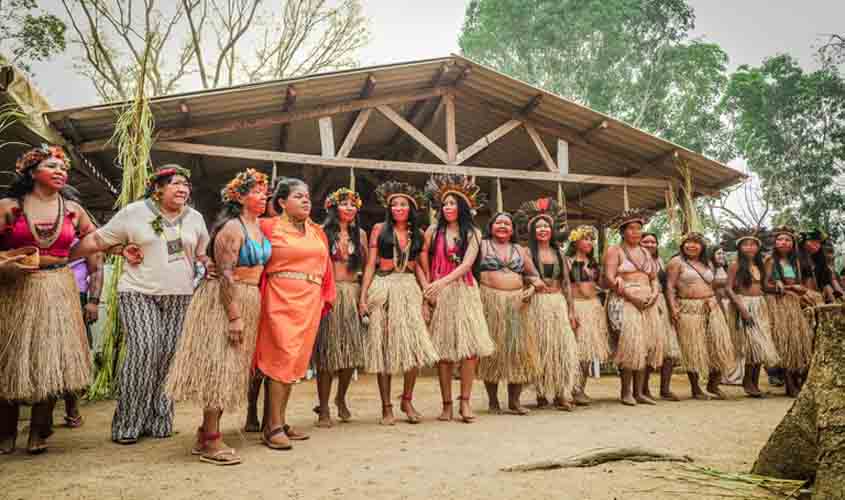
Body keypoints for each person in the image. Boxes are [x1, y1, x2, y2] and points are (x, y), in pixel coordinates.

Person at [71, 165, 210, 444]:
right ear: (157, 188)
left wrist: (210, 266)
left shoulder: (194, 218)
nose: (182, 188)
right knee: (144, 350)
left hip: (180, 295)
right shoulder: (134, 213)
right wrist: (62, 256)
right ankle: (127, 424)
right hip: (138, 292)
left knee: (168, 356)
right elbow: (99, 239)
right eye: (174, 183)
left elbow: (201, 255)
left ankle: (159, 420)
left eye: (185, 184)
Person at [164, 169, 269, 465]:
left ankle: (204, 433)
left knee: (232, 369)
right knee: (220, 367)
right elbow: (225, 275)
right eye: (257, 191)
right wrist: (234, 316)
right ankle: (211, 440)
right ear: (240, 197)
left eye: (265, 190)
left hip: (250, 297)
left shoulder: (259, 226)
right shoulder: (232, 228)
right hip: (225, 302)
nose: (263, 195)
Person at [0, 145, 95, 454]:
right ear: (31, 172)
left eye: (62, 167)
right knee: (11, 360)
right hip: (16, 288)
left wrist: (121, 246)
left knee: (51, 358)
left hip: (59, 286)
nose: (59, 171)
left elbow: (93, 241)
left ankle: (39, 430)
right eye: (51, 165)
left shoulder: (72, 209)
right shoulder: (9, 206)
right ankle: (6, 432)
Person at [255, 177, 335, 449]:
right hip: (279, 298)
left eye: (307, 196)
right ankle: (273, 427)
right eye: (298, 196)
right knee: (281, 358)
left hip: (309, 301)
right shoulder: (267, 227)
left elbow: (326, 268)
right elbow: (244, 247)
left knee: (295, 363)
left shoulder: (316, 232)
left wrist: (326, 298)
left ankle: (277, 421)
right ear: (281, 202)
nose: (305, 200)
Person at [359, 181, 439, 426]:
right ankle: (386, 407)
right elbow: (371, 264)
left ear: (411, 208)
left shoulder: (420, 233)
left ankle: (407, 399)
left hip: (409, 289)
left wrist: (427, 296)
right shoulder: (379, 229)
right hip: (383, 288)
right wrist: (363, 297)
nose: (398, 208)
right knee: (384, 347)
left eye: (403, 204)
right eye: (394, 205)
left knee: (413, 347)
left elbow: (420, 270)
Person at [420, 175, 494, 423]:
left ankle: (465, 403)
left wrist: (440, 283)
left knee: (470, 349)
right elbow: (420, 260)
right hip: (440, 294)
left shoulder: (473, 232)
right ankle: (446, 405)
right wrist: (427, 289)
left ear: (462, 207)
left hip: (464, 292)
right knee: (444, 350)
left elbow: (467, 264)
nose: (448, 207)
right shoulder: (433, 231)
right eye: (445, 204)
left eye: (452, 203)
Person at [477, 212, 546, 415]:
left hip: (517, 304)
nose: (503, 226)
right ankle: (493, 402)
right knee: (493, 352)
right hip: (490, 301)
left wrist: (531, 290)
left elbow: (535, 276)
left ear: (513, 229)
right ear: (491, 226)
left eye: (507, 223)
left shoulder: (520, 250)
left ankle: (514, 402)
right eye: (498, 222)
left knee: (517, 351)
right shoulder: (482, 246)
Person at [515, 198, 579, 411]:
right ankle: (542, 392)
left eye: (546, 226)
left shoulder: (560, 253)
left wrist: (571, 310)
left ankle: (563, 393)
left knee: (562, 347)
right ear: (532, 230)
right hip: (536, 305)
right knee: (541, 347)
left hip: (557, 302)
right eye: (538, 226)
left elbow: (567, 284)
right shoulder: (525, 253)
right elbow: (522, 278)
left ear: (552, 230)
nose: (542, 229)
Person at [312, 187, 368, 427]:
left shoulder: (361, 235)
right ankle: (323, 407)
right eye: (344, 203)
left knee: (351, 353)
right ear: (334, 208)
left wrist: (363, 298)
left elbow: (366, 268)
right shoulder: (322, 233)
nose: (349, 208)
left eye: (352, 204)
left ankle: (341, 398)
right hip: (329, 294)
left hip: (352, 293)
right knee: (326, 353)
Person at [603, 209, 663, 406]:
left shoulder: (646, 252)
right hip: (624, 301)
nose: (636, 232)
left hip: (647, 302)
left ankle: (640, 392)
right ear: (622, 231)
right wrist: (631, 296)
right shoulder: (615, 251)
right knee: (630, 346)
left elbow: (654, 278)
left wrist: (654, 294)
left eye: (639, 229)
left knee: (645, 346)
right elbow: (610, 279)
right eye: (631, 229)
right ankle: (626, 392)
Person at [666, 232, 735, 400]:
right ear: (682, 245)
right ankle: (696, 388)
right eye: (688, 242)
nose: (692, 245)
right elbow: (669, 286)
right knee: (693, 348)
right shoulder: (676, 262)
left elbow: (714, 285)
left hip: (711, 306)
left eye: (696, 242)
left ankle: (713, 385)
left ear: (702, 246)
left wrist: (717, 303)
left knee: (718, 346)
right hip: (689, 307)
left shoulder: (708, 263)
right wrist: (673, 307)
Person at [723, 229, 780, 398]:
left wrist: (778, 285)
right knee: (752, 346)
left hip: (760, 305)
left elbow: (764, 286)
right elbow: (728, 288)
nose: (749, 247)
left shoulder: (760, 265)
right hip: (744, 304)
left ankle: (754, 383)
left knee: (761, 347)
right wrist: (741, 308)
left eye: (753, 244)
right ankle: (748, 383)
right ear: (739, 248)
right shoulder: (735, 265)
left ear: (758, 248)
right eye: (745, 245)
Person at [764, 227, 814, 397]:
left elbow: (799, 284)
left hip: (793, 305)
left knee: (797, 343)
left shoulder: (796, 262)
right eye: (780, 239)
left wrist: (800, 292)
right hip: (778, 304)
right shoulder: (770, 260)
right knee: (785, 343)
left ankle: (796, 380)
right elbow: (765, 286)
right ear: (775, 243)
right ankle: (789, 383)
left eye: (787, 240)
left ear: (793, 244)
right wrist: (790, 287)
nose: (783, 242)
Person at [565, 225, 610, 405]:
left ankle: (579, 390)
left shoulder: (594, 264)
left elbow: (602, 285)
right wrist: (570, 310)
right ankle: (567, 388)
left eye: (592, 239)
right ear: (575, 242)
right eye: (586, 239)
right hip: (576, 306)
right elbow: (566, 286)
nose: (590, 242)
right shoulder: (567, 261)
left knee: (587, 352)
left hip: (593, 307)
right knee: (573, 352)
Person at [63, 242, 104, 428]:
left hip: (75, 296)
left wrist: (94, 301)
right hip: (36, 291)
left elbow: (96, 267)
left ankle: (72, 408)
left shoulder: (77, 226)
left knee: (75, 354)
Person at [640, 232, 681, 401]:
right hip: (646, 304)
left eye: (653, 242)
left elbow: (669, 286)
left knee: (670, 350)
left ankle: (665, 388)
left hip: (663, 304)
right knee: (650, 348)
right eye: (646, 241)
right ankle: (644, 388)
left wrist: (673, 307)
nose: (650, 244)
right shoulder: (636, 261)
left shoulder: (661, 261)